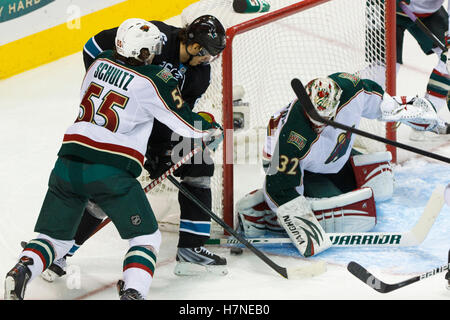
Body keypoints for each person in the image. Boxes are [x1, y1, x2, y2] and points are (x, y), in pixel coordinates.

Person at [4, 19, 217, 300]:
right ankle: (133, 292)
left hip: (67, 164)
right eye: (151, 49)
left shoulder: (98, 63)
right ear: (143, 52)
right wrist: (214, 127)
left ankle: (21, 270)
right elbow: (187, 124)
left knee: (53, 240)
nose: (155, 53)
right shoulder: (155, 79)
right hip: (110, 171)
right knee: (145, 239)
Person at [236, 71, 443, 257]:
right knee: (344, 216)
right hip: (300, 172)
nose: (317, 126)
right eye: (313, 120)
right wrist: (303, 227)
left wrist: (410, 112)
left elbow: (384, 106)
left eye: (323, 120)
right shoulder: (293, 137)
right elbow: (280, 186)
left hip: (334, 156)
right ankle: (262, 212)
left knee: (382, 184)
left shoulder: (352, 89)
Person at [396, 0, 450, 139]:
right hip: (388, 6)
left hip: (427, 11)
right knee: (381, 71)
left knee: (448, 62)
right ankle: (342, 108)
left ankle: (424, 120)